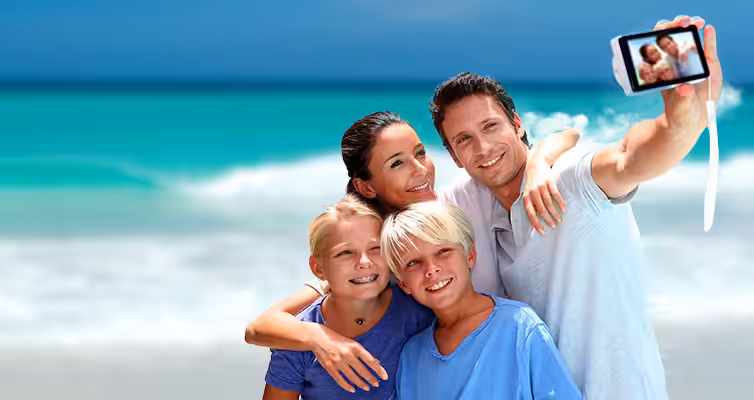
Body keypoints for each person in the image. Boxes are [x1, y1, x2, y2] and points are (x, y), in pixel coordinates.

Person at [426, 16, 722, 400]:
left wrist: (682, 119)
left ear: (517, 124)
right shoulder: (467, 201)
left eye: (491, 126)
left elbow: (629, 156)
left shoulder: (569, 176)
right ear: (453, 156)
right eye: (464, 140)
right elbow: (393, 224)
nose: (483, 148)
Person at [243, 112, 578, 393]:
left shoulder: (459, 200)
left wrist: (538, 164)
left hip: (507, 351)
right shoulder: (366, 260)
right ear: (366, 186)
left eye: (420, 153)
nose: (420, 170)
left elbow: (568, 135)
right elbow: (261, 326)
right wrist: (320, 337)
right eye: (397, 163)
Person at [381, 201, 581, 400]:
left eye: (443, 251)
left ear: (470, 255)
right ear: (403, 283)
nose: (431, 269)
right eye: (413, 263)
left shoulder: (520, 327)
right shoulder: (411, 356)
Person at [262, 196, 438, 400]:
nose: (364, 262)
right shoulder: (297, 340)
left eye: (376, 249)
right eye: (345, 253)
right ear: (318, 268)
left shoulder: (419, 309)